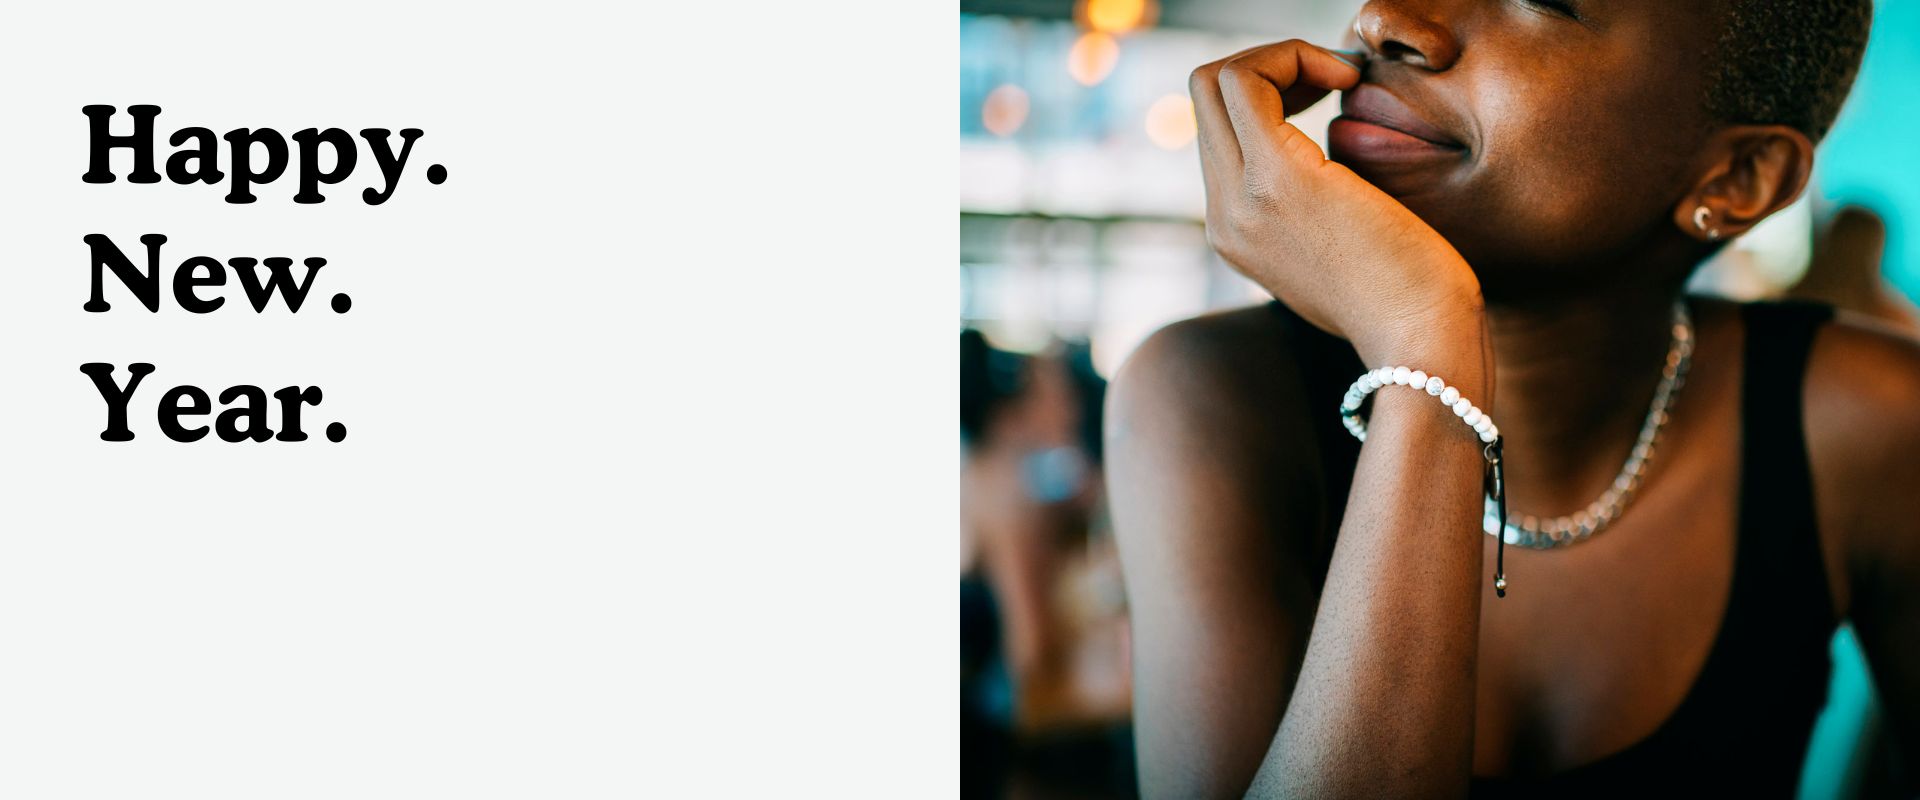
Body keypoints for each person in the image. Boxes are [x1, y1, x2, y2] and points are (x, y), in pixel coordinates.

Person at [1103, 2, 1917, 796]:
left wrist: (1423, 358)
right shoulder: (1213, 396)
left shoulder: (1869, 424)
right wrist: (1425, 351)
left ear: (1738, 177)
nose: (1385, 19)